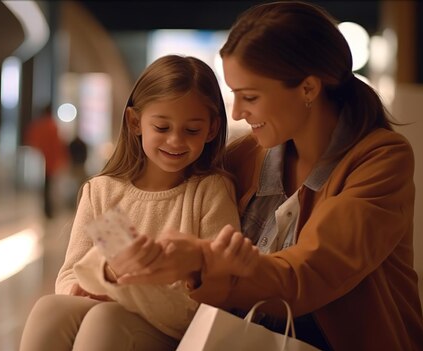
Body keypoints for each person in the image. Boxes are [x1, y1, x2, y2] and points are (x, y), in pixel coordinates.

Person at [117, 2, 423, 350]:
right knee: (77, 314)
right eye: (234, 95)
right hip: (238, 337)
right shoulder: (244, 155)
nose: (236, 111)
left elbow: (307, 274)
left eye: (249, 96)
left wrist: (202, 258)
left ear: (308, 88)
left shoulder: (381, 159)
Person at [19, 55, 259, 351]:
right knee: (49, 309)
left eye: (191, 130)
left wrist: (115, 281)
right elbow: (71, 276)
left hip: (176, 334)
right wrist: (105, 278)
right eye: (162, 127)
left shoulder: (209, 191)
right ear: (135, 122)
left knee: (107, 318)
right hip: (110, 316)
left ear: (211, 129)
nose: (175, 141)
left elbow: (206, 300)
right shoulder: (103, 192)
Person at [24, 104, 69, 218]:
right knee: (50, 187)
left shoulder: (39, 126)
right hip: (51, 163)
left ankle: (46, 209)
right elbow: (58, 146)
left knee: (45, 187)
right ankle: (49, 210)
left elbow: (32, 141)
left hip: (40, 161)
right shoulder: (53, 126)